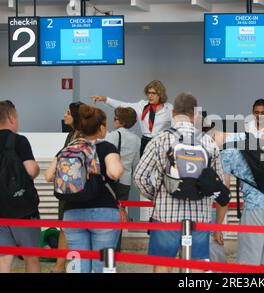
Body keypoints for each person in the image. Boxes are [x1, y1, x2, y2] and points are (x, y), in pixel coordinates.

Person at [134, 92, 228, 273]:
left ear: (173, 113)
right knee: (196, 265)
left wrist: (157, 194)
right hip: (199, 217)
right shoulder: (208, 142)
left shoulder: (160, 139)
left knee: (163, 264)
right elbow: (219, 182)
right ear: (196, 115)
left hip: (165, 216)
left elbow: (139, 176)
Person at [45, 104, 124, 273]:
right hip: (104, 213)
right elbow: (115, 173)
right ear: (101, 128)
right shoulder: (106, 148)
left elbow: (49, 176)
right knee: (104, 265)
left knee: (78, 266)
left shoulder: (67, 149)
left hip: (72, 213)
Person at [210, 128, 264, 266]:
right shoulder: (252, 137)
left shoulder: (225, 153)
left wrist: (217, 227)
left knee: (248, 265)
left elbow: (224, 194)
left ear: (212, 138)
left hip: (256, 209)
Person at [0, 100, 41, 273]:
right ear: (10, 116)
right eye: (16, 116)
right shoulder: (19, 140)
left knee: (4, 259)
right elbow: (31, 170)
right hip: (22, 209)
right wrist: (38, 168)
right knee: (31, 256)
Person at [91, 80, 173, 156]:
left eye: (153, 93)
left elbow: (175, 127)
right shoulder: (142, 105)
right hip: (146, 142)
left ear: (160, 94)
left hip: (162, 142)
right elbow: (123, 105)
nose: (150, 96)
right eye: (148, 93)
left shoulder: (169, 108)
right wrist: (105, 99)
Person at [51, 101, 84, 273]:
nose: (64, 115)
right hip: (66, 189)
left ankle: (65, 266)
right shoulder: (70, 134)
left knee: (71, 229)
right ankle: (60, 265)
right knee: (64, 227)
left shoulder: (81, 137)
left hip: (75, 191)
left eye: (68, 113)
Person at [104, 107, 140, 251]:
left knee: (107, 214)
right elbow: (136, 163)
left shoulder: (112, 136)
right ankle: (116, 248)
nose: (113, 121)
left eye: (115, 118)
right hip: (125, 181)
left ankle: (107, 248)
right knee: (120, 214)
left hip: (111, 180)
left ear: (121, 121)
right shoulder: (136, 140)